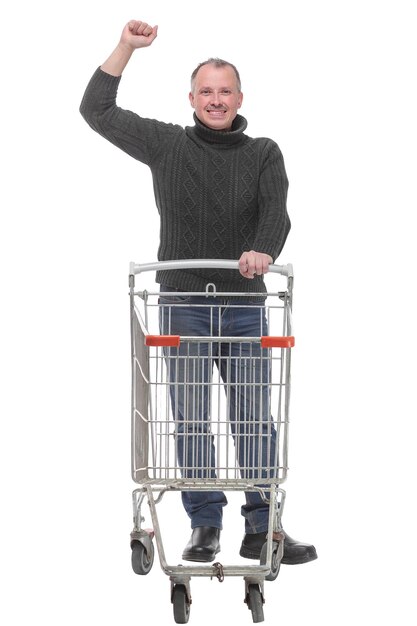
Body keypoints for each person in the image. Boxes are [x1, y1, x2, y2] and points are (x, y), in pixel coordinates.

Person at [80, 19, 317, 566]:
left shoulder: (263, 152)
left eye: (225, 91)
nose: (216, 100)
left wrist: (262, 250)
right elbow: (97, 111)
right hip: (182, 303)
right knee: (187, 417)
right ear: (191, 98)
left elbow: (275, 213)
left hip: (243, 303)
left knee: (256, 414)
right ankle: (204, 524)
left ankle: (263, 525)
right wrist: (126, 48)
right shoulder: (167, 145)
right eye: (206, 92)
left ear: (239, 97)